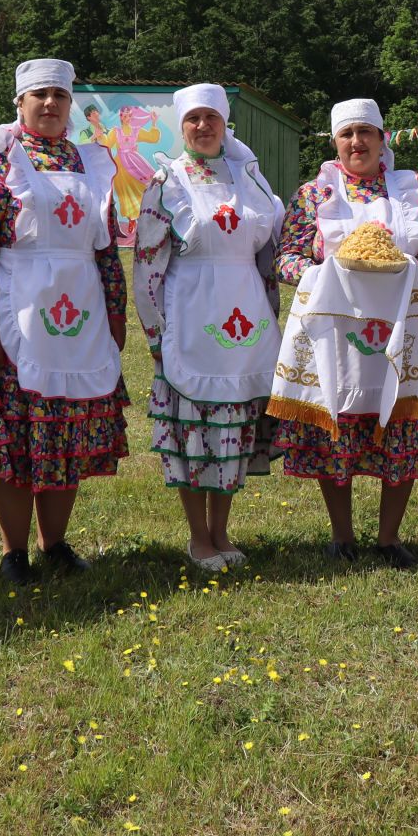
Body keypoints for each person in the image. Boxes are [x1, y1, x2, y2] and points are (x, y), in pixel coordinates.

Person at [266, 99, 418, 567]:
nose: (357, 142)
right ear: (336, 141)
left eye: (366, 133)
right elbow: (288, 257)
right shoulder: (315, 194)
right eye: (347, 134)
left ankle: (389, 536)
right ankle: (342, 534)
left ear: (382, 138)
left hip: (401, 329)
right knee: (338, 425)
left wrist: (400, 267)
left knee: (401, 421)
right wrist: (327, 272)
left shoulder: (409, 191)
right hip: (336, 335)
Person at [0, 58, 126, 583]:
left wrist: (116, 310)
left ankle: (54, 544)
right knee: (14, 434)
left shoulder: (93, 163)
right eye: (39, 96)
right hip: (17, 315)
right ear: (20, 103)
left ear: (70, 103)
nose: (50, 104)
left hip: (81, 313)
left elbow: (106, 248)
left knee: (66, 430)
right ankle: (14, 552)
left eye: (59, 95)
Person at [133, 83, 283, 571]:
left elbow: (266, 253)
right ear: (183, 126)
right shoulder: (167, 181)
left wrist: (272, 311)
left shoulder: (250, 177)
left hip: (243, 314)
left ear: (224, 122)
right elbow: (148, 261)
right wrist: (154, 330)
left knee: (232, 427)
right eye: (193, 119)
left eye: (211, 118)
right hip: (191, 311)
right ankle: (199, 537)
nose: (203, 127)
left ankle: (222, 531)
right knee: (194, 429)